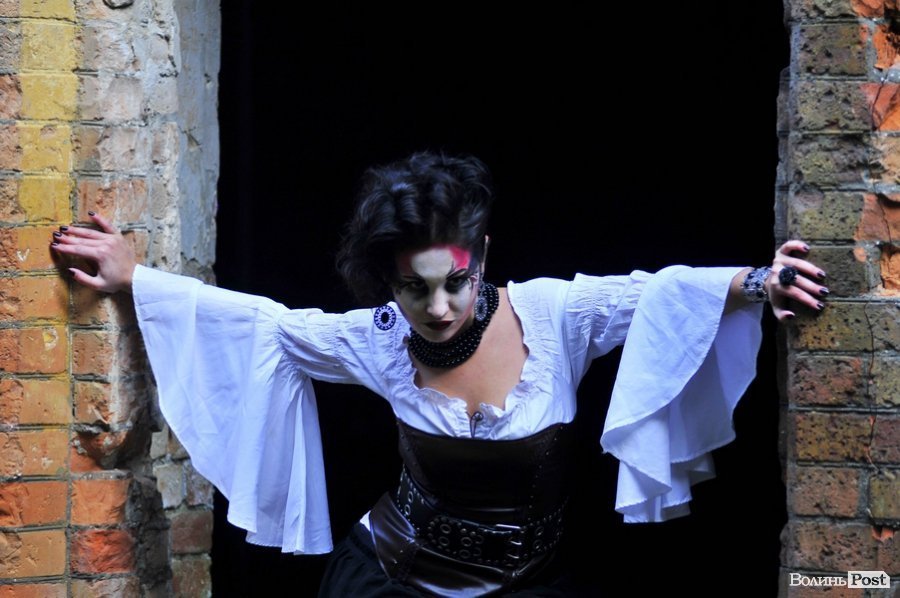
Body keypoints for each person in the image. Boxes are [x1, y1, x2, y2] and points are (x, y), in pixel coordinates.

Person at [50, 152, 826, 596]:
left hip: (530, 584)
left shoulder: (553, 316)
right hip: (390, 580)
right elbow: (266, 327)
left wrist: (764, 282)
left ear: (481, 256)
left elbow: (657, 293)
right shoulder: (381, 341)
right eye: (414, 288)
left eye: (455, 282)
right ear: (388, 282)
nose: (439, 308)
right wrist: (135, 278)